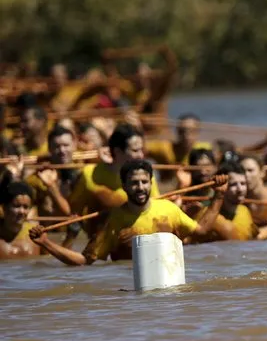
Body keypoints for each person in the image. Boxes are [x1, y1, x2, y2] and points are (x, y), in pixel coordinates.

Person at [29, 160, 228, 265]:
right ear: (124, 186)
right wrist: (46, 243)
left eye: (144, 182)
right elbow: (84, 261)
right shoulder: (113, 221)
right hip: (132, 297)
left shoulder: (169, 210)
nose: (140, 188)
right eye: (134, 183)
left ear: (151, 183)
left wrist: (219, 195)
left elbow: (202, 231)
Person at [68, 123, 160, 236]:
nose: (141, 155)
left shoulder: (145, 177)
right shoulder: (89, 174)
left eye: (142, 150)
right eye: (135, 151)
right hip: (98, 242)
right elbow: (74, 213)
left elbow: (155, 212)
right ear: (117, 152)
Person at [191, 161, 267, 242]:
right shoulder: (207, 215)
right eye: (233, 185)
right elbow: (187, 241)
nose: (240, 189)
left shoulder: (244, 210)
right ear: (221, 187)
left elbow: (256, 238)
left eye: (243, 183)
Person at [26, 125, 78, 221]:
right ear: (49, 148)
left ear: (74, 145)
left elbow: (73, 214)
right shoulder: (39, 177)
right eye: (57, 146)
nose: (62, 150)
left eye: (66, 145)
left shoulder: (82, 173)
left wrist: (52, 187)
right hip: (50, 232)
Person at [145, 113, 212, 181]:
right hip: (167, 187)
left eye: (191, 131)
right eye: (182, 131)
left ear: (198, 132)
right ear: (177, 131)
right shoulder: (164, 148)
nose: (186, 135)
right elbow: (142, 147)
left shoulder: (205, 150)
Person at [0, 180, 42, 259]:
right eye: (16, 206)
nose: (21, 212)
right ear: (4, 207)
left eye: (25, 207)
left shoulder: (36, 235)